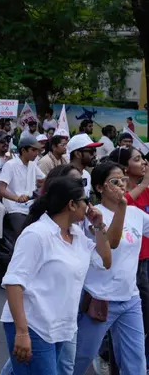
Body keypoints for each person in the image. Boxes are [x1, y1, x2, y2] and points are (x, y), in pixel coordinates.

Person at [0, 176, 115, 375]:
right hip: (34, 325)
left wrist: (98, 226)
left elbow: (106, 260)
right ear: (71, 204)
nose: (90, 207)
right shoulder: (37, 235)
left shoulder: (77, 236)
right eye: (86, 201)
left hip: (61, 328)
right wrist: (22, 332)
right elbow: (13, 283)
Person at [72, 161, 146, 374]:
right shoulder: (93, 216)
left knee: (136, 363)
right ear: (99, 188)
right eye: (114, 181)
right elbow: (111, 243)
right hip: (100, 298)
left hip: (130, 298)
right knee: (80, 357)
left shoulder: (136, 214)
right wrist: (121, 207)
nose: (121, 185)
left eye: (123, 180)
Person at [109, 146, 149, 367]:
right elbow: (124, 203)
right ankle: (109, 356)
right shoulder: (119, 198)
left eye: (143, 158)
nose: (143, 162)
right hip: (126, 268)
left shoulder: (144, 190)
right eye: (137, 159)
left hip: (143, 262)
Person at [0, 137, 45, 236]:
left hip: (31, 206)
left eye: (37, 150)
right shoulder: (10, 165)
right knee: (24, 234)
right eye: (33, 150)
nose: (36, 153)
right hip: (15, 209)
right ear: (23, 150)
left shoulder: (33, 165)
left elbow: (44, 180)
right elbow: (1, 189)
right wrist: (17, 198)